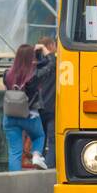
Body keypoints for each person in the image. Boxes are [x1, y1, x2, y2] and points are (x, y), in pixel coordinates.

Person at [2, 43, 54, 171]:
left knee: (15, 152)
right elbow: (51, 66)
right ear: (31, 57)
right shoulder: (34, 76)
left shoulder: (7, 74)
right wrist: (46, 51)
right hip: (29, 115)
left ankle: (14, 183)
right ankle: (36, 155)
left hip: (10, 115)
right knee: (39, 136)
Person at [35, 35, 58, 169]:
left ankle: (40, 160)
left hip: (37, 107)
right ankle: (49, 164)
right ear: (50, 47)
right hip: (51, 106)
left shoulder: (37, 64)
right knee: (52, 138)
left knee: (40, 137)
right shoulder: (53, 62)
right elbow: (53, 62)